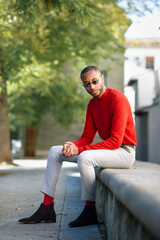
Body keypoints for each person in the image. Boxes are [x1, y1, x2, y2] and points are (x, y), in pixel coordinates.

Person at [19, 66, 137, 227]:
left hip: (125, 152)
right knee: (55, 151)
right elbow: (87, 137)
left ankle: (90, 210)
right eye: (87, 84)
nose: (92, 87)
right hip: (110, 151)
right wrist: (72, 145)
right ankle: (47, 207)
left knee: (85, 157)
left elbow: (115, 141)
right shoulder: (92, 104)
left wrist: (79, 150)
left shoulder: (118, 99)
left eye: (94, 82)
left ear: (102, 78)